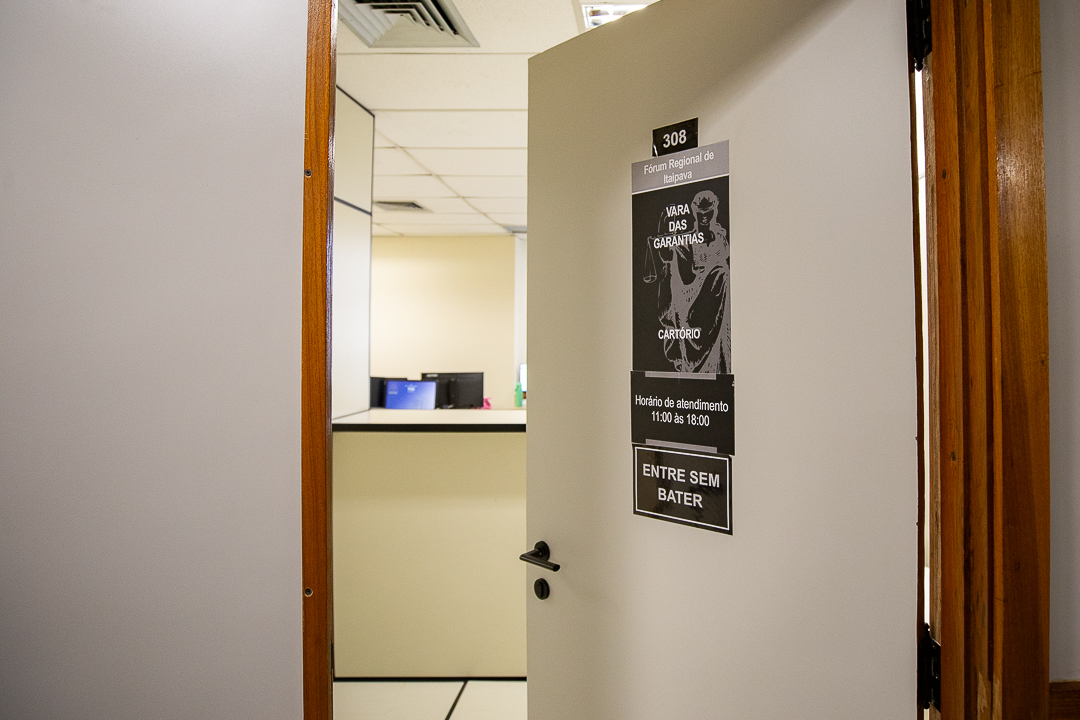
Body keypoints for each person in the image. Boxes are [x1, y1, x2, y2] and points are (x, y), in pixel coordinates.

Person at [652, 189, 730, 373]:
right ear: (694, 212)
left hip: (718, 302)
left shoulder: (720, 238)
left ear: (715, 211)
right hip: (694, 303)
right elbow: (675, 266)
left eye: (709, 211)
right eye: (701, 212)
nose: (705, 217)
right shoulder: (686, 241)